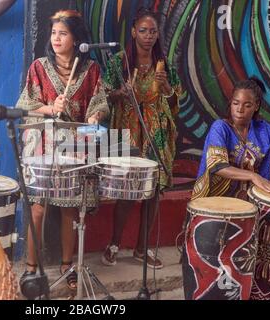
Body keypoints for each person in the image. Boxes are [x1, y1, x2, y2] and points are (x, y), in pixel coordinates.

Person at [16, 9, 109, 291]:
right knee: (37, 209)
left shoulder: (91, 70)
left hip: (75, 145)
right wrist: (49, 108)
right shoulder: (39, 67)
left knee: (70, 210)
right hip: (43, 144)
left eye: (63, 33)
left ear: (76, 37)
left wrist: (95, 117)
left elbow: (100, 102)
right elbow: (24, 104)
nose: (56, 38)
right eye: (54, 33)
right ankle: (32, 268)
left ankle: (68, 264)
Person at [191, 78, 270, 300]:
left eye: (247, 105)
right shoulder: (220, 128)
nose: (239, 109)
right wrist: (253, 175)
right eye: (235, 103)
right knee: (220, 274)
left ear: (256, 106)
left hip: (251, 211)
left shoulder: (264, 130)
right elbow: (217, 165)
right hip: (218, 209)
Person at [101, 7, 181, 269]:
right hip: (126, 130)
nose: (148, 36)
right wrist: (120, 94)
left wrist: (167, 87)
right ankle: (114, 244)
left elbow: (175, 101)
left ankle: (142, 248)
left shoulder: (164, 64)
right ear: (134, 31)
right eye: (143, 31)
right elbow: (103, 97)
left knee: (153, 192)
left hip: (156, 132)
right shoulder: (119, 62)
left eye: (153, 32)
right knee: (126, 191)